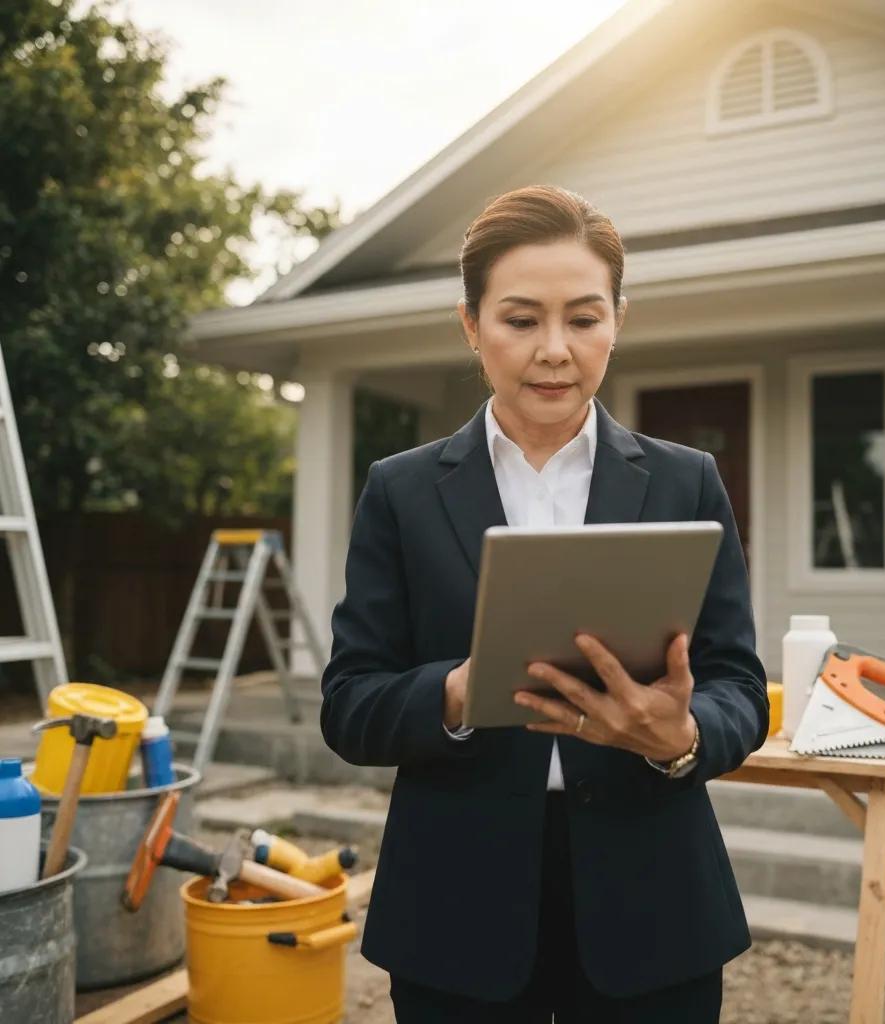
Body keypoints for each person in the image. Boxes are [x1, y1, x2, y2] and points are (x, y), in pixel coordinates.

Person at [320, 184, 770, 1023]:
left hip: (653, 896)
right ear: (471, 325)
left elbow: (738, 685)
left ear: (618, 321)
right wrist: (458, 691)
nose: (554, 350)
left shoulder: (685, 480)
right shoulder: (402, 490)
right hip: (457, 902)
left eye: (584, 318)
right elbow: (349, 704)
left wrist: (684, 736)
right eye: (521, 320)